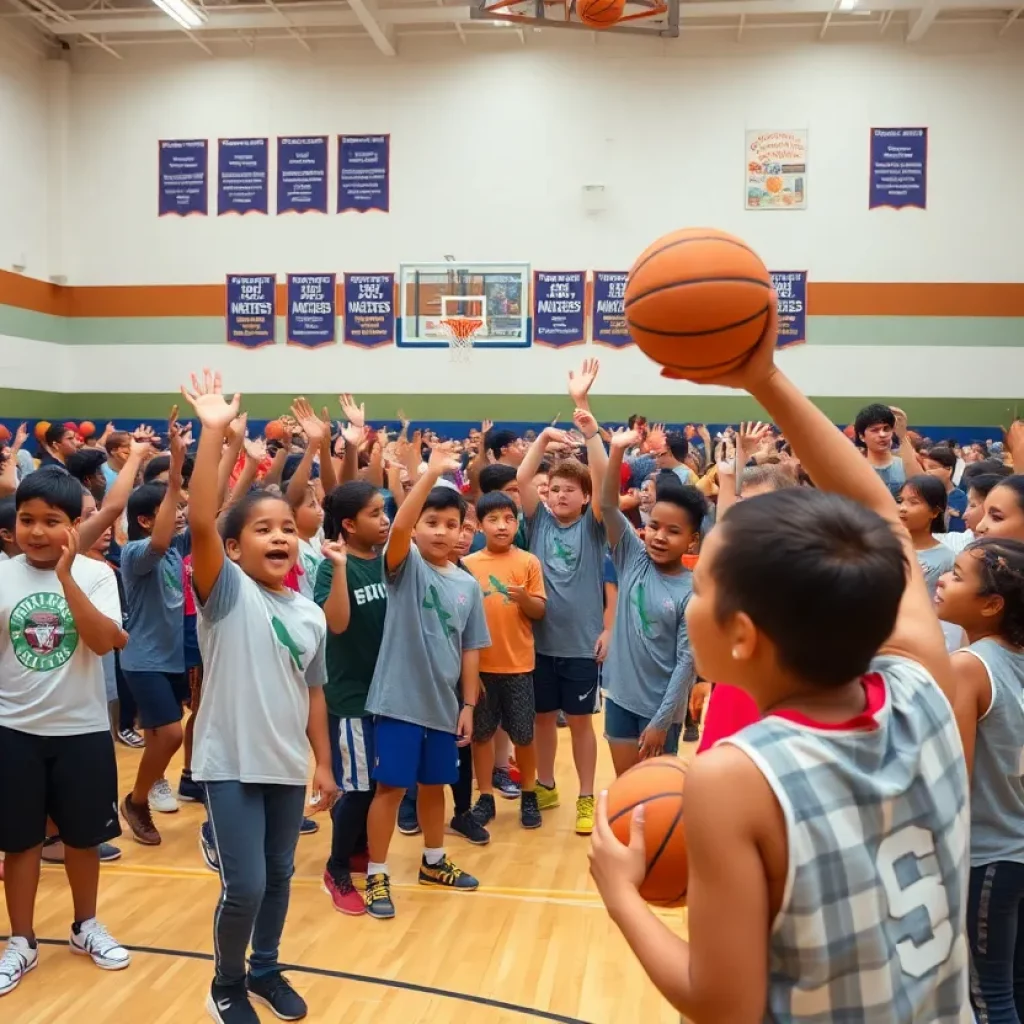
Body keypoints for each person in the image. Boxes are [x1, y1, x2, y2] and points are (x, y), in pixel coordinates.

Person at [590, 305, 970, 1022]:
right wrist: (762, 376)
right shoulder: (924, 686)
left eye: (702, 585)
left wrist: (619, 895)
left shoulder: (734, 777)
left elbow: (721, 1005)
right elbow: (883, 519)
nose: (692, 584)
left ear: (743, 636)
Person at [181, 370, 336, 1024]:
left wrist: (323, 763)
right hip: (227, 762)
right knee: (243, 886)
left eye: (285, 528)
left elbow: (315, 691)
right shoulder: (225, 595)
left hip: (284, 764)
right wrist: (214, 435)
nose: (277, 536)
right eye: (261, 529)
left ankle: (268, 968)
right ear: (236, 547)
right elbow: (199, 520)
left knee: (278, 879)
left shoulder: (308, 613)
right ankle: (227, 984)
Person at [0, 467, 131, 998]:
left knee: (84, 839)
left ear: (74, 525)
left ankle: (85, 927)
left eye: (50, 521)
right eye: (26, 520)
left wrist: (68, 576)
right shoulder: (3, 576)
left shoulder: (99, 576)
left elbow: (106, 643)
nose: (35, 532)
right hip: (13, 729)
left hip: (81, 729)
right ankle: (21, 940)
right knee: (19, 842)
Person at [361, 445, 490, 920]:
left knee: (435, 786)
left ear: (463, 532)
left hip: (443, 705)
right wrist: (432, 472)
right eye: (431, 522)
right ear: (416, 528)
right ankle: (377, 871)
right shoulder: (405, 567)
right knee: (391, 789)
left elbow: (471, 648)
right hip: (397, 702)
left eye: (451, 524)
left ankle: (434, 862)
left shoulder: (468, 585)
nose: (441, 531)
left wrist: (469, 705)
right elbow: (396, 529)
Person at [935, 537, 1024, 1022]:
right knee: (1014, 984)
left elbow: (955, 780)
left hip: (986, 856)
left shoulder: (967, 667)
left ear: (992, 605)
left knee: (988, 996)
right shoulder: (1016, 658)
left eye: (957, 575)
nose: (943, 580)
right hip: (1018, 849)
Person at [599, 421, 702, 776]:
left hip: (660, 710)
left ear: (692, 541)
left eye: (673, 532)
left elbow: (686, 663)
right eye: (655, 526)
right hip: (620, 700)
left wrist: (662, 722)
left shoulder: (691, 590)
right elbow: (609, 506)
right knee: (625, 789)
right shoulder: (632, 556)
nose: (659, 537)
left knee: (654, 798)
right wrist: (616, 450)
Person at [315, 480, 390, 917]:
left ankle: (359, 847)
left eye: (385, 511)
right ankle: (336, 867)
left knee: (378, 782)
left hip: (387, 693)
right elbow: (337, 624)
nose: (384, 520)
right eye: (375, 513)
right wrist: (341, 568)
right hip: (351, 694)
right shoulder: (333, 565)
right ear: (348, 524)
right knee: (357, 787)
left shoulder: (387, 561)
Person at [119, 417, 191, 843]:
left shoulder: (174, 548)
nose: (179, 514)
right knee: (171, 734)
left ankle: (141, 795)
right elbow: (162, 540)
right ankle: (137, 799)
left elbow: (208, 509)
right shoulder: (136, 553)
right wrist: (175, 470)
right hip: (142, 659)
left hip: (170, 658)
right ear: (146, 520)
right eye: (169, 509)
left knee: (160, 737)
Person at [463, 490, 547, 829]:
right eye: (493, 520)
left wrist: (526, 599)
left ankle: (529, 794)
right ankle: (484, 796)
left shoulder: (528, 562)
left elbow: (540, 611)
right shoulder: (467, 565)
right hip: (480, 669)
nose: (502, 526)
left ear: (517, 524)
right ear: (480, 525)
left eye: (509, 519)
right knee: (482, 736)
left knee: (524, 736)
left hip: (519, 666)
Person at [899, 474, 955, 597]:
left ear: (934, 512)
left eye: (913, 502)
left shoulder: (947, 558)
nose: (902, 508)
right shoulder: (884, 545)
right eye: (900, 500)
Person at [853, 403, 909, 498]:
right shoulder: (855, 469)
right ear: (862, 436)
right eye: (874, 430)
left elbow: (923, 489)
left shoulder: (905, 465)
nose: (882, 434)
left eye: (886, 429)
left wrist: (903, 436)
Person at [921, 446, 969, 533]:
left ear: (949, 470)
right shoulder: (922, 495)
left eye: (933, 467)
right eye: (925, 468)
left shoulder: (960, 499)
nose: (927, 472)